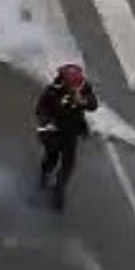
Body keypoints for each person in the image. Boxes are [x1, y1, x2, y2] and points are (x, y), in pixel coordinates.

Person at [35, 63, 98, 211]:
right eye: (73, 85)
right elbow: (41, 109)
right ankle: (44, 177)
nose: (76, 88)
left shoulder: (83, 88)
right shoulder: (52, 91)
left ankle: (59, 188)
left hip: (72, 132)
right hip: (54, 132)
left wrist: (82, 101)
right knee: (51, 157)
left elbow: (93, 104)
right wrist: (48, 122)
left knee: (68, 164)